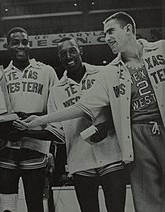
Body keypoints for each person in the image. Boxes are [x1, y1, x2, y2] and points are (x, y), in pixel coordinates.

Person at [15, 12, 165, 212]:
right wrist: (37, 121)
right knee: (149, 203)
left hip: (123, 149)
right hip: (115, 147)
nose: (107, 38)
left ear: (129, 29)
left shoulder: (158, 50)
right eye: (104, 34)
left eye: (111, 31)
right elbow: (80, 109)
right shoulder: (107, 73)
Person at [46, 36, 127, 212]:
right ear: (59, 58)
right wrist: (27, 129)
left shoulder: (104, 73)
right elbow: (58, 132)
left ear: (80, 51)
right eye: (63, 54)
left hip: (111, 154)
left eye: (72, 50)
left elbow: (123, 107)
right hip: (80, 161)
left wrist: (107, 125)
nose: (68, 56)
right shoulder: (56, 91)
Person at [0, 27, 59, 212]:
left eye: (25, 42)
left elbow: (56, 110)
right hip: (5, 147)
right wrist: (7, 125)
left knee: (36, 205)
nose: (21, 46)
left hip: (36, 147)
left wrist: (31, 120)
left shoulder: (47, 71)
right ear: (7, 46)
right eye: (15, 42)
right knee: (7, 208)